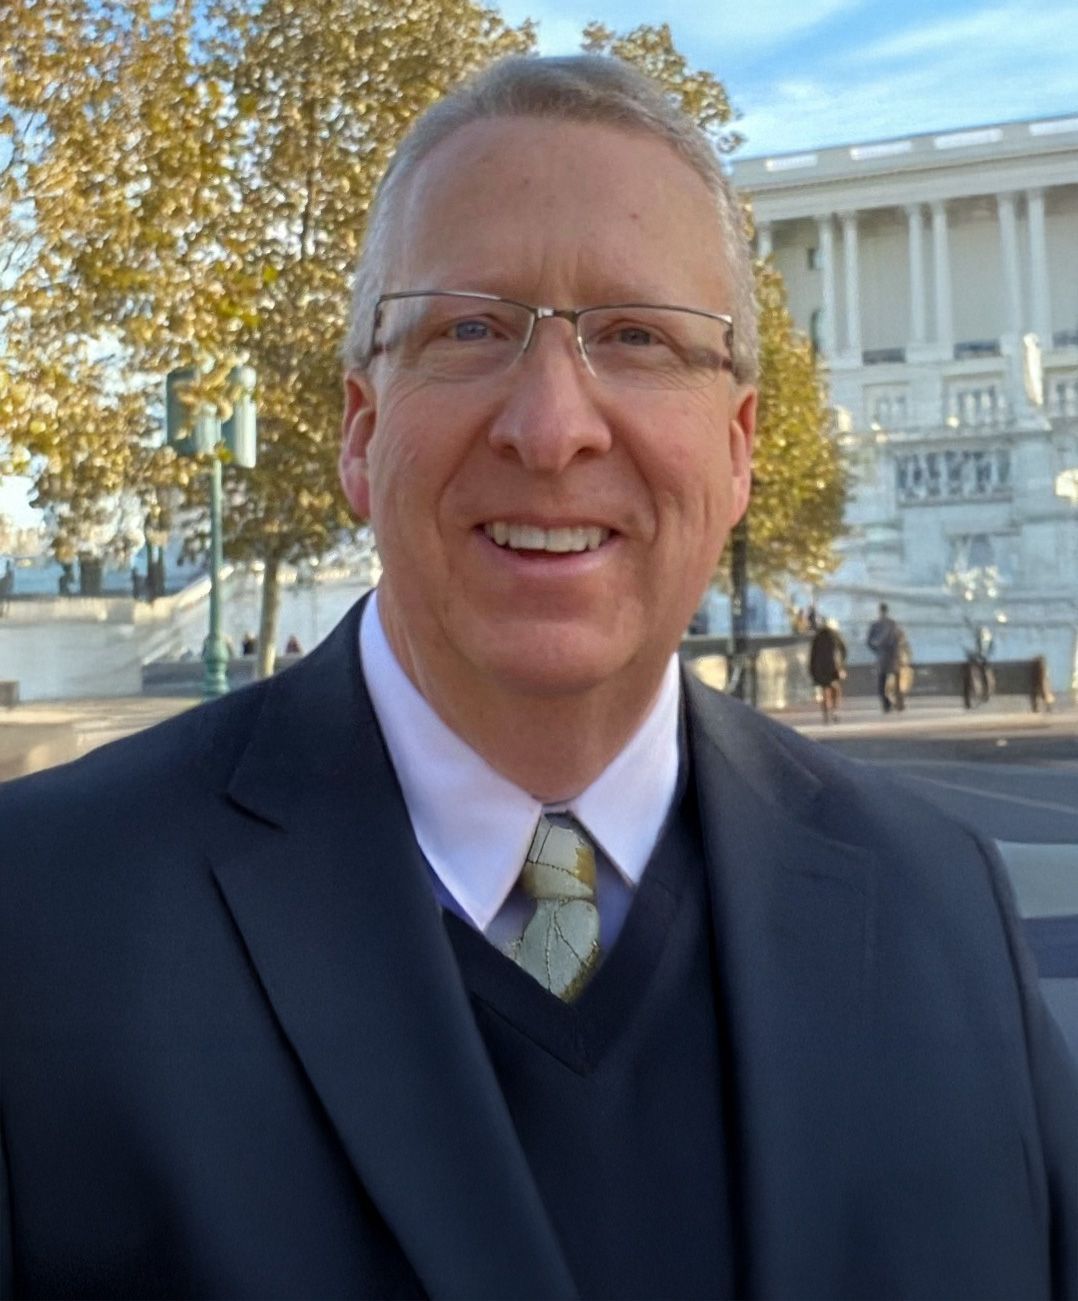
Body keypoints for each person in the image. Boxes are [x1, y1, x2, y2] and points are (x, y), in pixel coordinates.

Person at [1, 56, 1075, 1301]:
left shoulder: (943, 907)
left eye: (636, 337)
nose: (553, 425)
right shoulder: (38, 925)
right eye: (470, 327)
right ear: (360, 432)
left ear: (737, 455)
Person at [866, 600, 906, 712]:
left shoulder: (875, 624)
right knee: (897, 681)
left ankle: (886, 704)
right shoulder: (893, 624)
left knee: (881, 682)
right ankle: (899, 703)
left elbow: (868, 641)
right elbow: (900, 638)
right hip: (893, 655)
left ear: (879, 611)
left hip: (882, 655)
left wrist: (876, 650)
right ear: (887, 610)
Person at [808, 617, 846, 723]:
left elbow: (813, 655)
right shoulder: (835, 636)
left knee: (825, 690)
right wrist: (842, 665)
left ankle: (826, 714)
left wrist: (812, 669)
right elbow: (843, 650)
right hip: (833, 667)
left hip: (820, 668)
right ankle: (834, 711)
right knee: (835, 688)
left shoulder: (817, 637)